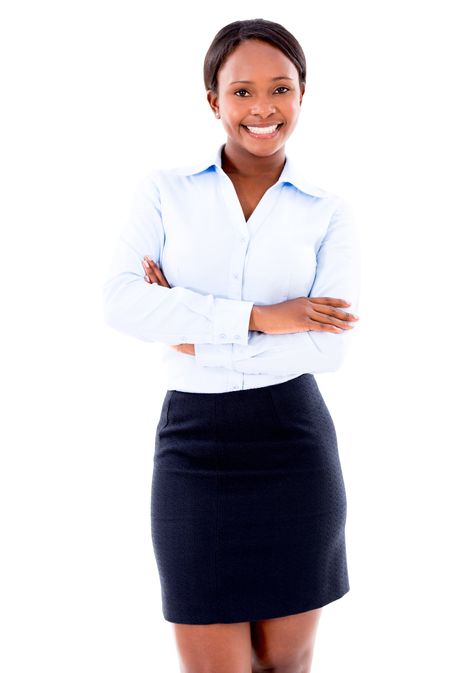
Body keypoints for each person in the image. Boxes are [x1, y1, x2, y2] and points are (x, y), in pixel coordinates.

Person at [102, 17, 361, 673]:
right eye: (242, 91)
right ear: (213, 99)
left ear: (303, 94)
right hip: (194, 444)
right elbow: (123, 302)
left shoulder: (327, 212)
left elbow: (327, 350)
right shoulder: (163, 192)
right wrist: (265, 317)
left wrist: (192, 330)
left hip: (294, 442)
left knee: (285, 664)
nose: (263, 108)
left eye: (281, 88)